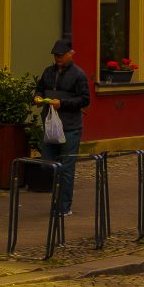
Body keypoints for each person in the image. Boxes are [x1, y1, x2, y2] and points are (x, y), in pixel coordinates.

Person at [35, 38, 92, 215]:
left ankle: (63, 206)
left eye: (60, 55)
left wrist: (63, 103)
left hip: (70, 127)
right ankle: (58, 195)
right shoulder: (48, 72)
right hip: (51, 125)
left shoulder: (78, 75)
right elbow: (40, 88)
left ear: (70, 54)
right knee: (47, 164)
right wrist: (37, 97)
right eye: (55, 55)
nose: (57, 58)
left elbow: (85, 99)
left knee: (67, 168)